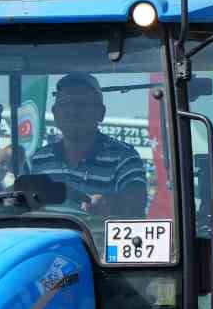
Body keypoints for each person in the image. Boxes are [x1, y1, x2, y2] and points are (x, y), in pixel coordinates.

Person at [28, 74, 146, 217]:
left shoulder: (124, 158)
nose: (73, 112)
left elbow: (136, 206)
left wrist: (110, 204)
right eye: (65, 104)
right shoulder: (39, 159)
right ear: (54, 113)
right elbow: (21, 202)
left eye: (82, 104)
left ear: (101, 113)